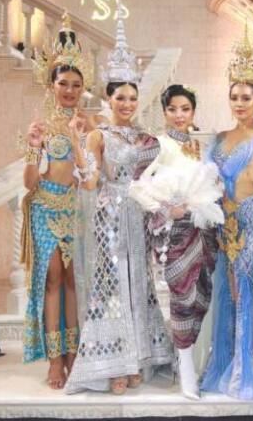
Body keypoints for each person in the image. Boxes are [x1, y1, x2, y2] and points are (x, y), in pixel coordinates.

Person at [65, 20, 172, 395]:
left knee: (139, 283)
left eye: (132, 98)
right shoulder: (100, 135)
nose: (126, 104)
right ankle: (114, 366)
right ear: (108, 99)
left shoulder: (147, 138)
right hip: (109, 217)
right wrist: (77, 145)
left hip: (138, 215)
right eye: (120, 98)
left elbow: (160, 178)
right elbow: (90, 183)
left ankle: (139, 357)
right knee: (111, 287)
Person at [201, 26, 253, 400]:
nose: (239, 103)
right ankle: (229, 362)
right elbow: (206, 181)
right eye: (234, 97)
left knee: (249, 287)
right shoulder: (218, 139)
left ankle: (249, 368)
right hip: (225, 221)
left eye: (246, 98)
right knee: (229, 291)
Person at [131, 82, 223, 400]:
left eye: (185, 109)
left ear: (193, 112)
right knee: (182, 296)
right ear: (164, 111)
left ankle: (191, 361)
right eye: (173, 109)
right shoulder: (156, 144)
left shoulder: (199, 146)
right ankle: (185, 372)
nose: (179, 115)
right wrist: (166, 208)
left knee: (201, 297)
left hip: (204, 230)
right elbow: (137, 185)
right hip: (174, 232)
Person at [20, 14, 96, 389]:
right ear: (51, 84)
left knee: (73, 281)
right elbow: (30, 182)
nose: (69, 90)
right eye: (63, 83)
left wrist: (82, 139)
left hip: (76, 209)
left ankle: (74, 354)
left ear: (84, 88)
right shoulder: (41, 127)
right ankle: (54, 361)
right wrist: (33, 149)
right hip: (46, 208)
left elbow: (94, 175)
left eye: (76, 85)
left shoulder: (89, 125)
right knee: (52, 280)